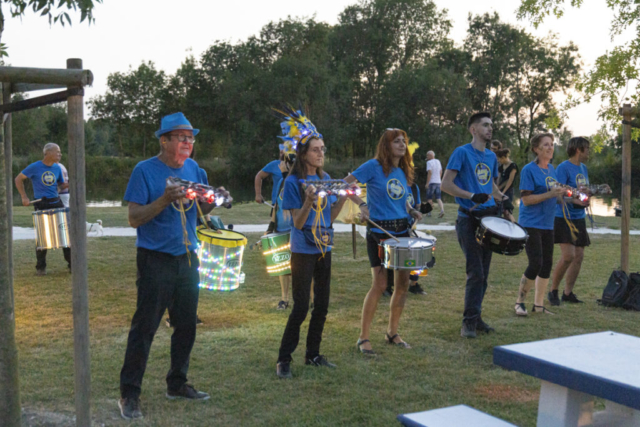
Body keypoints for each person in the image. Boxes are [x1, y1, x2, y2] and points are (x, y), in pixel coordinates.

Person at [118, 112, 226, 419]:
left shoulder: (193, 168)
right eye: (181, 137)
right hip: (156, 259)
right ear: (164, 141)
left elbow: (201, 207)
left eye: (190, 138)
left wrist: (216, 199)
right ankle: (129, 394)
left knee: (186, 325)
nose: (187, 143)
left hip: (188, 257)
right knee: (145, 328)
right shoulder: (145, 171)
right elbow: (134, 218)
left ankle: (177, 383)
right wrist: (165, 199)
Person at [275, 108, 347, 379]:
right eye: (316, 150)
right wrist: (307, 200)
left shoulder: (326, 180)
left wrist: (343, 198)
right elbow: (296, 222)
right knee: (302, 305)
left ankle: (313, 354)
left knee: (323, 304)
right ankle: (284, 359)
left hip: (323, 247)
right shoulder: (292, 182)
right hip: (303, 249)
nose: (320, 154)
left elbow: (329, 217)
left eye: (323, 149)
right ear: (303, 154)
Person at [345, 128, 423, 355]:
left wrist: (412, 210)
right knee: (379, 286)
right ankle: (363, 337)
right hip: (379, 233)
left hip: (402, 231)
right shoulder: (373, 166)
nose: (401, 145)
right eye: (396, 141)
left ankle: (392, 332)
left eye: (403, 141)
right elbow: (344, 185)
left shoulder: (404, 170)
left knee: (402, 285)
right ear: (386, 145)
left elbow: (404, 199)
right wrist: (361, 204)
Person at [441, 112, 507, 338]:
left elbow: (491, 187)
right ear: (473, 130)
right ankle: (468, 323)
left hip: (489, 219)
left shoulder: (491, 157)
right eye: (485, 125)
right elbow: (445, 185)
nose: (490, 129)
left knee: (484, 274)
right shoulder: (461, 152)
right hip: (468, 219)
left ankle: (476, 319)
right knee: (475, 272)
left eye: (491, 125)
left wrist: (503, 199)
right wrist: (471, 195)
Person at [549, 137, 606, 306]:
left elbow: (582, 193)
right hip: (564, 217)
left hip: (579, 217)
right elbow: (559, 192)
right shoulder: (563, 168)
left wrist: (592, 194)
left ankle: (568, 293)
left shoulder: (583, 168)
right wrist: (575, 201)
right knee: (568, 256)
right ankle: (553, 291)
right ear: (578, 149)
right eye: (587, 148)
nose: (589, 152)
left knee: (579, 256)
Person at [514, 132, 565, 317]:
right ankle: (519, 302)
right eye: (546, 144)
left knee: (546, 264)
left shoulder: (552, 169)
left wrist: (569, 196)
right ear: (537, 149)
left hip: (547, 224)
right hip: (531, 223)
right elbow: (526, 200)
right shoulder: (528, 170)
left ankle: (539, 305)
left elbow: (557, 198)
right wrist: (550, 194)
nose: (550, 147)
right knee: (535, 263)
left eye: (551, 144)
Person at [15, 143, 71, 275]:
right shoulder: (35, 166)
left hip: (56, 203)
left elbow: (60, 185)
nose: (60, 154)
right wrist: (24, 197)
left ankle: (72, 265)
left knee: (65, 235)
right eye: (57, 152)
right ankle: (41, 268)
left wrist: (73, 182)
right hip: (42, 204)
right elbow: (18, 179)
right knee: (43, 238)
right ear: (48, 153)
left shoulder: (57, 168)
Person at [267, 150, 295, 310]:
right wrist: (271, 226)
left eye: (282, 162)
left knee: (300, 266)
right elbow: (276, 205)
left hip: (295, 230)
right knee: (283, 265)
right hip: (280, 228)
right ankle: (284, 299)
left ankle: (311, 298)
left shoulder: (297, 181)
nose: (279, 165)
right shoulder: (281, 182)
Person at [496, 148, 518, 222]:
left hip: (508, 190)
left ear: (503, 157)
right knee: (499, 210)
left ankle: (513, 226)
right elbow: (499, 179)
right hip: (500, 190)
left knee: (507, 212)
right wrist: (497, 189)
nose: (499, 161)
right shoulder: (501, 167)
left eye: (499, 159)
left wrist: (503, 192)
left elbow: (510, 180)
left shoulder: (513, 166)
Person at [425, 150, 445, 218]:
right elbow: (441, 171)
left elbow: (429, 172)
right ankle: (442, 210)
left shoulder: (429, 162)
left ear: (430, 156)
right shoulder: (438, 161)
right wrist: (438, 178)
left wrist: (427, 183)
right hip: (438, 182)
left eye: (427, 155)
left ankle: (429, 212)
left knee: (429, 198)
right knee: (438, 198)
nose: (427, 157)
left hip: (432, 182)